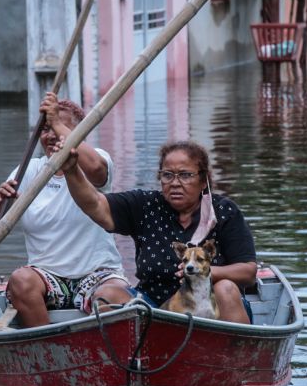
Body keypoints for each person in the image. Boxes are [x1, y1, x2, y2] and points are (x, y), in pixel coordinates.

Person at [56, 139, 257, 324]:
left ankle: (238, 358)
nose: (175, 183)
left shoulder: (223, 210)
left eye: (186, 175)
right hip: (156, 310)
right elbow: (96, 205)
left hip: (212, 310)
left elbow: (248, 272)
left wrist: (205, 273)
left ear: (203, 181)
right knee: (107, 294)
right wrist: (72, 171)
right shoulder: (146, 206)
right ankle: (123, 359)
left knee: (226, 288)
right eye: (168, 175)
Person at [0, 92, 130, 327]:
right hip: (47, 277)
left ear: (79, 133)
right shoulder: (30, 169)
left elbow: (96, 169)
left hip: (98, 274)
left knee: (114, 296)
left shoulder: (96, 161)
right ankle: (47, 349)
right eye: (45, 129)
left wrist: (55, 121)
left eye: (59, 128)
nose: (51, 135)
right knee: (20, 280)